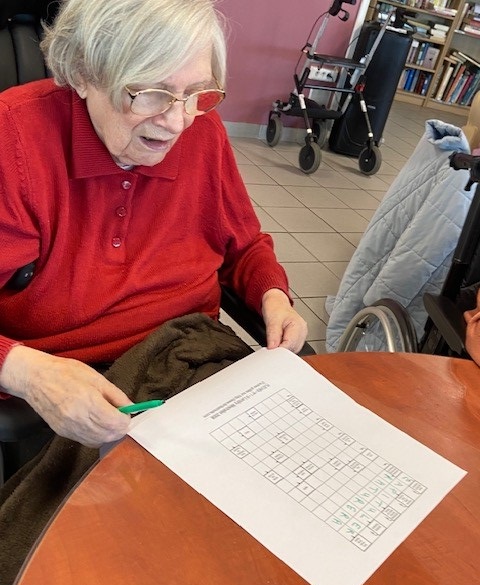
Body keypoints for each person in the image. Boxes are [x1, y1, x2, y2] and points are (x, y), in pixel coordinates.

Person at [0, 0, 307, 450]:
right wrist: (26, 372)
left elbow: (243, 245)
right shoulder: (13, 137)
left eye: (196, 93)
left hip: (191, 361)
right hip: (72, 388)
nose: (178, 121)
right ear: (83, 74)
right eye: (150, 93)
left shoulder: (203, 131)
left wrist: (273, 297)